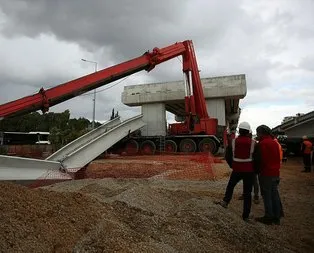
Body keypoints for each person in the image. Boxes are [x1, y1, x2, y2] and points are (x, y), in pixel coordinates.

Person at [215, 121, 256, 222]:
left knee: (230, 186)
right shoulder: (254, 143)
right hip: (249, 171)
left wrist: (232, 165)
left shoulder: (233, 142)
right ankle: (246, 215)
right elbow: (257, 158)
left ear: (240, 131)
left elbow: (228, 156)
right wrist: (254, 169)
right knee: (247, 193)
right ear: (248, 132)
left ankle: (225, 202)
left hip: (236, 169)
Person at [254, 125, 283, 225]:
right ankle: (277, 217)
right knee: (274, 194)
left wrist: (257, 170)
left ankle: (268, 217)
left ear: (261, 133)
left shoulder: (263, 144)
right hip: (275, 172)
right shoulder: (274, 143)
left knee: (267, 195)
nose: (257, 135)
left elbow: (262, 160)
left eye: (258, 133)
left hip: (266, 173)